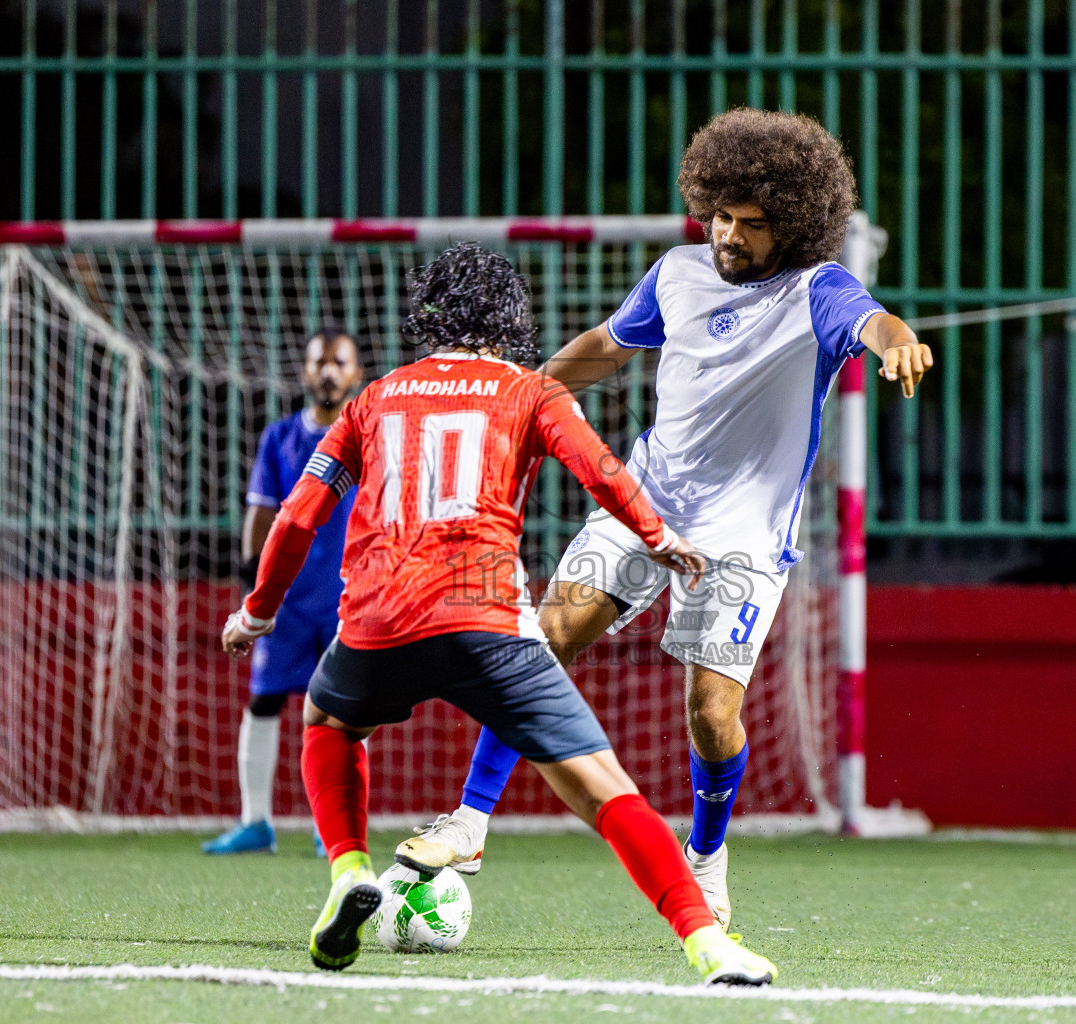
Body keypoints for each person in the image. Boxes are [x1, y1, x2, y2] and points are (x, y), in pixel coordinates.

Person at [396, 108, 932, 929]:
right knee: (542, 638)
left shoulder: (816, 289)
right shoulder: (677, 273)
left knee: (712, 714)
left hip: (744, 537)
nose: (729, 235)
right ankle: (469, 823)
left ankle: (706, 857)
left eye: (753, 224)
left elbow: (873, 320)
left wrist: (896, 341)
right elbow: (607, 346)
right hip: (644, 502)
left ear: (794, 225)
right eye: (721, 215)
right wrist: (521, 398)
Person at [222, 242, 779, 985]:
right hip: (487, 622)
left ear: (427, 318)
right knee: (604, 788)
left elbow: (297, 516)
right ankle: (706, 942)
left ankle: (348, 872)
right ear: (512, 320)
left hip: (377, 622)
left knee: (327, 721)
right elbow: (600, 471)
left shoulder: (373, 398)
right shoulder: (530, 391)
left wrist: (257, 612)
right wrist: (657, 536)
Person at [202, 330, 365, 855]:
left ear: (356, 373)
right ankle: (255, 823)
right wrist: (252, 587)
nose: (328, 371)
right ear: (305, 371)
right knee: (264, 699)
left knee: (344, 710)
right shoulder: (280, 438)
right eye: (320, 361)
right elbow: (261, 511)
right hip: (288, 601)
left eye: (339, 362)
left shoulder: (366, 434)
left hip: (347, 598)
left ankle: (330, 827)